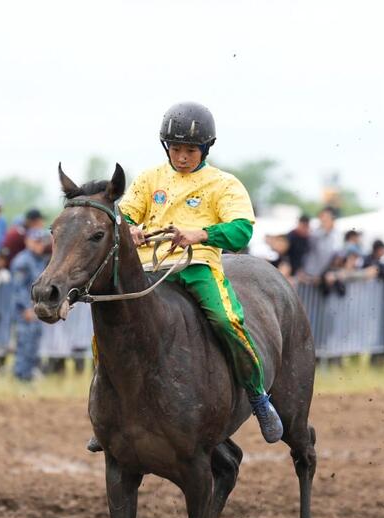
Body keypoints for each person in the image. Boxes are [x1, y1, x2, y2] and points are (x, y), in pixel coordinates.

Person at [111, 101, 283, 446]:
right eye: (176, 149)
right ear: (166, 147)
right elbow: (124, 214)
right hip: (147, 269)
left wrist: (201, 234)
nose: (183, 156)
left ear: (205, 149)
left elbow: (241, 231)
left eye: (190, 150)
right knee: (110, 324)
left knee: (226, 321)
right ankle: (109, 408)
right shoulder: (149, 178)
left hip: (196, 267)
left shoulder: (224, 184)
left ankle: (257, 396)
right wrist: (128, 229)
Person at [11, 228, 50, 381]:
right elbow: (18, 288)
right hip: (25, 312)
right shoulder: (22, 261)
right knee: (24, 344)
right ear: (28, 242)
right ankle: (21, 376)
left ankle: (28, 375)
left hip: (35, 310)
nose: (39, 245)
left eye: (41, 242)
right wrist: (25, 308)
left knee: (33, 344)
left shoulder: (39, 260)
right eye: (36, 241)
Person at [299, 206, 338, 282]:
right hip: (306, 277)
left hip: (320, 279)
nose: (325, 220)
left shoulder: (332, 237)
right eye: (324, 217)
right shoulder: (313, 235)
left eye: (328, 217)